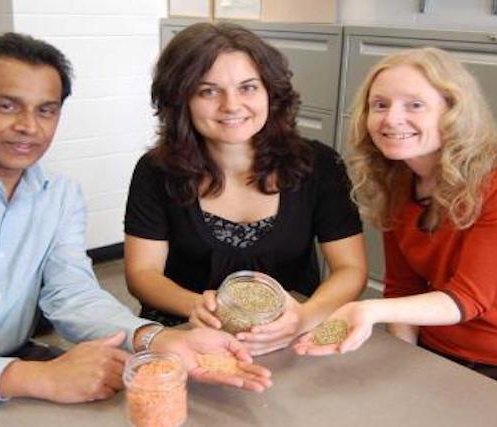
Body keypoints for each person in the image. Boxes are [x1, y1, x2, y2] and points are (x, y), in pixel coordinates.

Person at [0, 32, 271, 421]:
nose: (29, 126)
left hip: (12, 360)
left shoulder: (58, 196)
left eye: (46, 110)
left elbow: (71, 295)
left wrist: (162, 340)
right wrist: (35, 376)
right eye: (7, 106)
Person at [294, 47, 497, 419]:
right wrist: (403, 367)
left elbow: (467, 299)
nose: (392, 118)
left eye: (414, 105)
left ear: (454, 112)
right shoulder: (400, 182)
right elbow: (404, 288)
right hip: (441, 356)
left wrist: (365, 310)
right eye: (380, 105)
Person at [124, 22, 367, 356]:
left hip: (290, 337)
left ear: (270, 91)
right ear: (181, 101)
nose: (232, 105)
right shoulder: (155, 171)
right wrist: (197, 306)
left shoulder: (319, 164)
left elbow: (350, 269)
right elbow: (142, 273)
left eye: (248, 87)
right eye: (208, 91)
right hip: (187, 335)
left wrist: (303, 316)